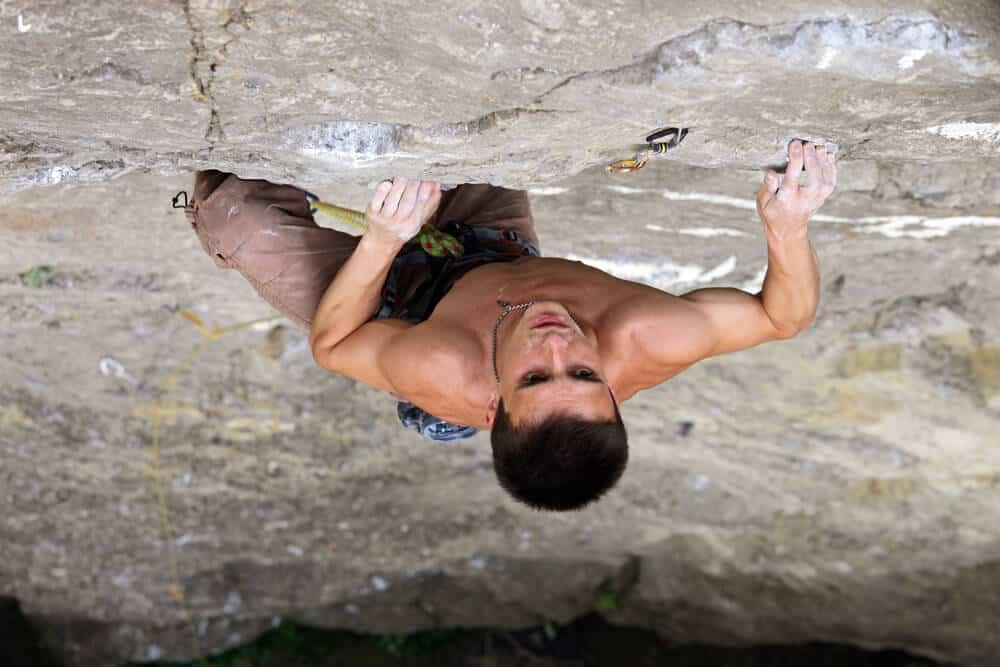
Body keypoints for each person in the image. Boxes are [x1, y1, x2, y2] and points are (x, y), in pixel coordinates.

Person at [182, 140, 836, 511]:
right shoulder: (646, 333)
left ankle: (434, 422)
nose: (556, 341)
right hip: (495, 249)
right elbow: (784, 316)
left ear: (494, 402)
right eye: (582, 371)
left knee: (231, 207)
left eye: (534, 375)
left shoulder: (442, 370)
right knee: (468, 117)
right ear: (612, 387)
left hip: (400, 308)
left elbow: (334, 345)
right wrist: (789, 225)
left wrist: (383, 241)